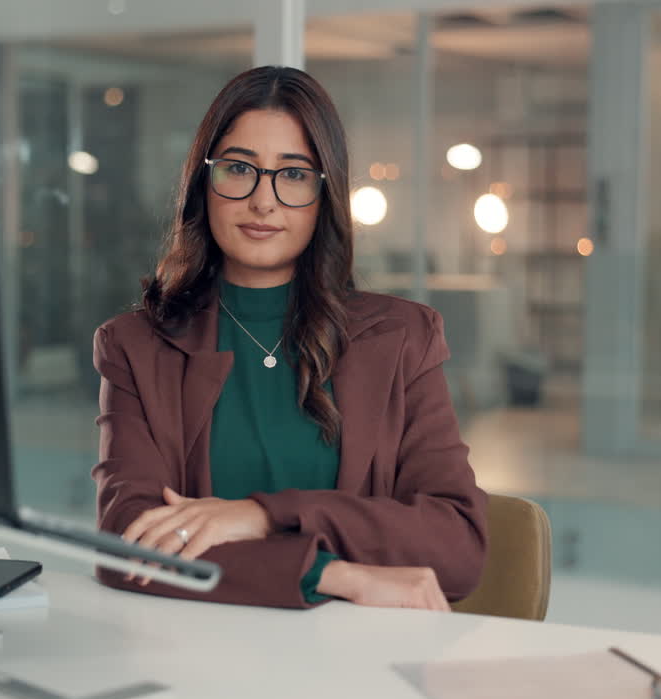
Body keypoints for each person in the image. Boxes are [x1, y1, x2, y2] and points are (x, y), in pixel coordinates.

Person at [91, 65, 487, 611]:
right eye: (238, 168)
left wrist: (261, 516)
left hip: (355, 662)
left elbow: (458, 545)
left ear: (326, 195)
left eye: (294, 174)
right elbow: (128, 545)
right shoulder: (135, 346)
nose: (263, 201)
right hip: (200, 655)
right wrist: (333, 575)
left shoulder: (401, 340)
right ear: (203, 183)